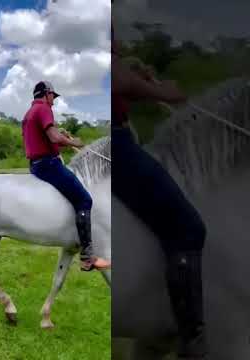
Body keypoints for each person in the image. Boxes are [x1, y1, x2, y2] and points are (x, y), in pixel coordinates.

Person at [112, 28, 208, 358]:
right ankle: (192, 341)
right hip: (117, 145)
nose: (119, 43)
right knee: (187, 228)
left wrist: (141, 88)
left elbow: (118, 85)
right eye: (113, 36)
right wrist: (163, 92)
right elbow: (116, 81)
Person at [22, 81, 111, 271]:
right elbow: (54, 138)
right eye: (53, 96)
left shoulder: (29, 113)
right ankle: (88, 257)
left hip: (36, 165)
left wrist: (60, 136)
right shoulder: (44, 109)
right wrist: (74, 142)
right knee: (84, 200)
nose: (53, 101)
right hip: (49, 165)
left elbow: (45, 138)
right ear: (46, 94)